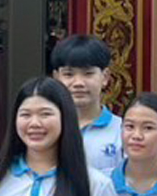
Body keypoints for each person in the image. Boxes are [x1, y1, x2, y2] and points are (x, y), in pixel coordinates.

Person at [51, 33, 122, 175]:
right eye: (69, 74)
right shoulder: (46, 128)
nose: (78, 83)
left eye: (88, 73)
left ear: (105, 77)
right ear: (56, 78)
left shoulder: (122, 132)